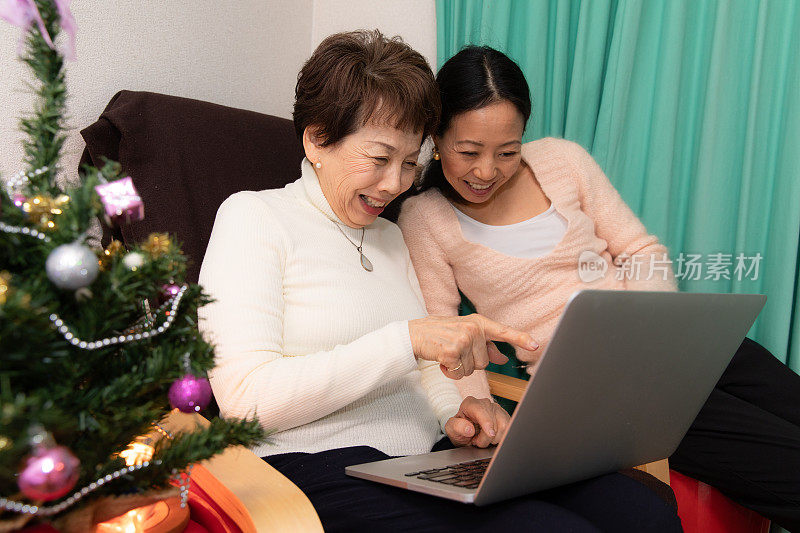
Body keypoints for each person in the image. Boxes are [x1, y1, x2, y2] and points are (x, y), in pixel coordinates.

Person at [198, 31, 682, 532]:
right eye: (380, 158)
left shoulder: (390, 235)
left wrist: (465, 410)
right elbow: (246, 400)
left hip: (428, 456)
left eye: (410, 163)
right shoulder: (253, 217)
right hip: (320, 463)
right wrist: (406, 340)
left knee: (641, 509)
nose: (396, 184)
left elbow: (427, 368)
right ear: (317, 139)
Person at [397, 45, 800, 531]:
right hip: (611, 391)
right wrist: (474, 409)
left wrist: (652, 325)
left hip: (669, 340)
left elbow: (640, 250)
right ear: (436, 136)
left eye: (508, 151)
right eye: (468, 152)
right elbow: (450, 340)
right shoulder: (426, 218)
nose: (486, 171)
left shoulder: (564, 161)